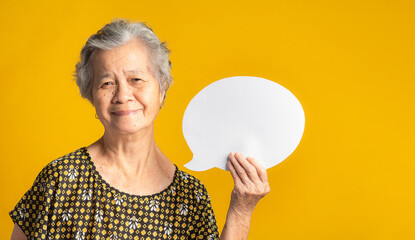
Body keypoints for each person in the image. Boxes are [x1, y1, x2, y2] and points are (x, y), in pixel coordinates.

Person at [10, 19, 270, 240]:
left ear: (162, 88)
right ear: (91, 94)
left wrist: (240, 211)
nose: (123, 95)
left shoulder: (191, 197)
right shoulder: (60, 180)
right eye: (107, 83)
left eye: (136, 80)